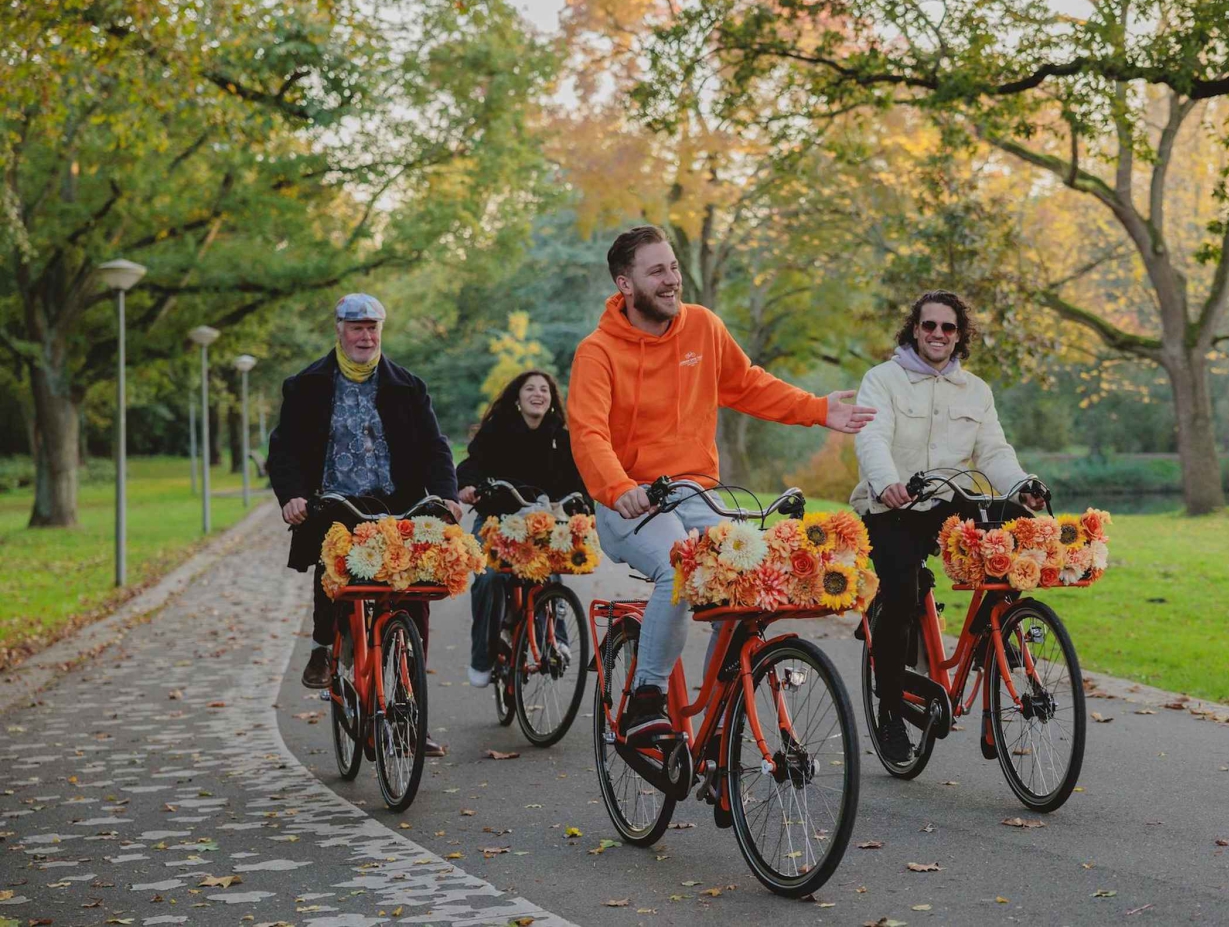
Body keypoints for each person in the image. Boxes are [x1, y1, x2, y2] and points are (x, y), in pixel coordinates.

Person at [568, 225, 876, 744]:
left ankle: (719, 720)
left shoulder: (702, 326)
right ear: (625, 284)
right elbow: (588, 433)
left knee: (746, 577)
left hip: (695, 493)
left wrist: (817, 410)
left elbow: (747, 384)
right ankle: (646, 699)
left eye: (673, 267)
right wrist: (620, 488)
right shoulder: (597, 352)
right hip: (630, 503)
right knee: (680, 568)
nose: (672, 279)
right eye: (657, 271)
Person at [850, 289, 1047, 763]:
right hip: (892, 505)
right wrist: (887, 482)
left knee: (1022, 532)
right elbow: (872, 436)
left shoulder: (975, 390)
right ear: (915, 330)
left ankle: (989, 635)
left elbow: (994, 452)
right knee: (901, 594)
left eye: (948, 327)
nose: (938, 334)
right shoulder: (882, 380)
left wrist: (1023, 485)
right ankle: (890, 709)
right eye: (929, 325)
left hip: (949, 501)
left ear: (959, 336)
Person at [267, 293, 461, 758]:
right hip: (334, 503)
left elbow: (435, 446)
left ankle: (410, 711)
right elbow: (284, 448)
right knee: (335, 575)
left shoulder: (407, 386)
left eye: (372, 327)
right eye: (356, 327)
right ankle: (324, 645)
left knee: (414, 598)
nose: (365, 336)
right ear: (339, 329)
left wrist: (448, 496)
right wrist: (293, 495)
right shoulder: (307, 385)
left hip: (398, 504)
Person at [455, 369, 586, 688]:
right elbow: (471, 465)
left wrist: (581, 503)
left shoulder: (561, 438)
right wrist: (468, 486)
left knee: (548, 570)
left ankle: (555, 642)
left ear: (551, 399)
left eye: (544, 389)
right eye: (530, 389)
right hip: (496, 520)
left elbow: (578, 480)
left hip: (542, 522)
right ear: (517, 397)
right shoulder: (496, 431)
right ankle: (482, 657)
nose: (537, 394)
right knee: (490, 577)